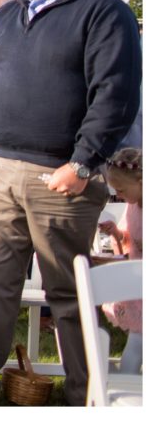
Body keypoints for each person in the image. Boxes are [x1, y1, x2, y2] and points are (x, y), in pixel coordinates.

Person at [0, 0, 141, 406]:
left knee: (69, 296)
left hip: (62, 179)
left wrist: (82, 165)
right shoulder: (3, 18)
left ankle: (85, 396)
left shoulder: (104, 12)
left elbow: (115, 96)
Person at [98, 148, 142, 375]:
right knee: (136, 339)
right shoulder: (133, 207)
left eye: (122, 190)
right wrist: (115, 231)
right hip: (135, 285)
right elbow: (127, 239)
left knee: (137, 342)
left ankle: (127, 382)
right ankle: (128, 382)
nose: (120, 195)